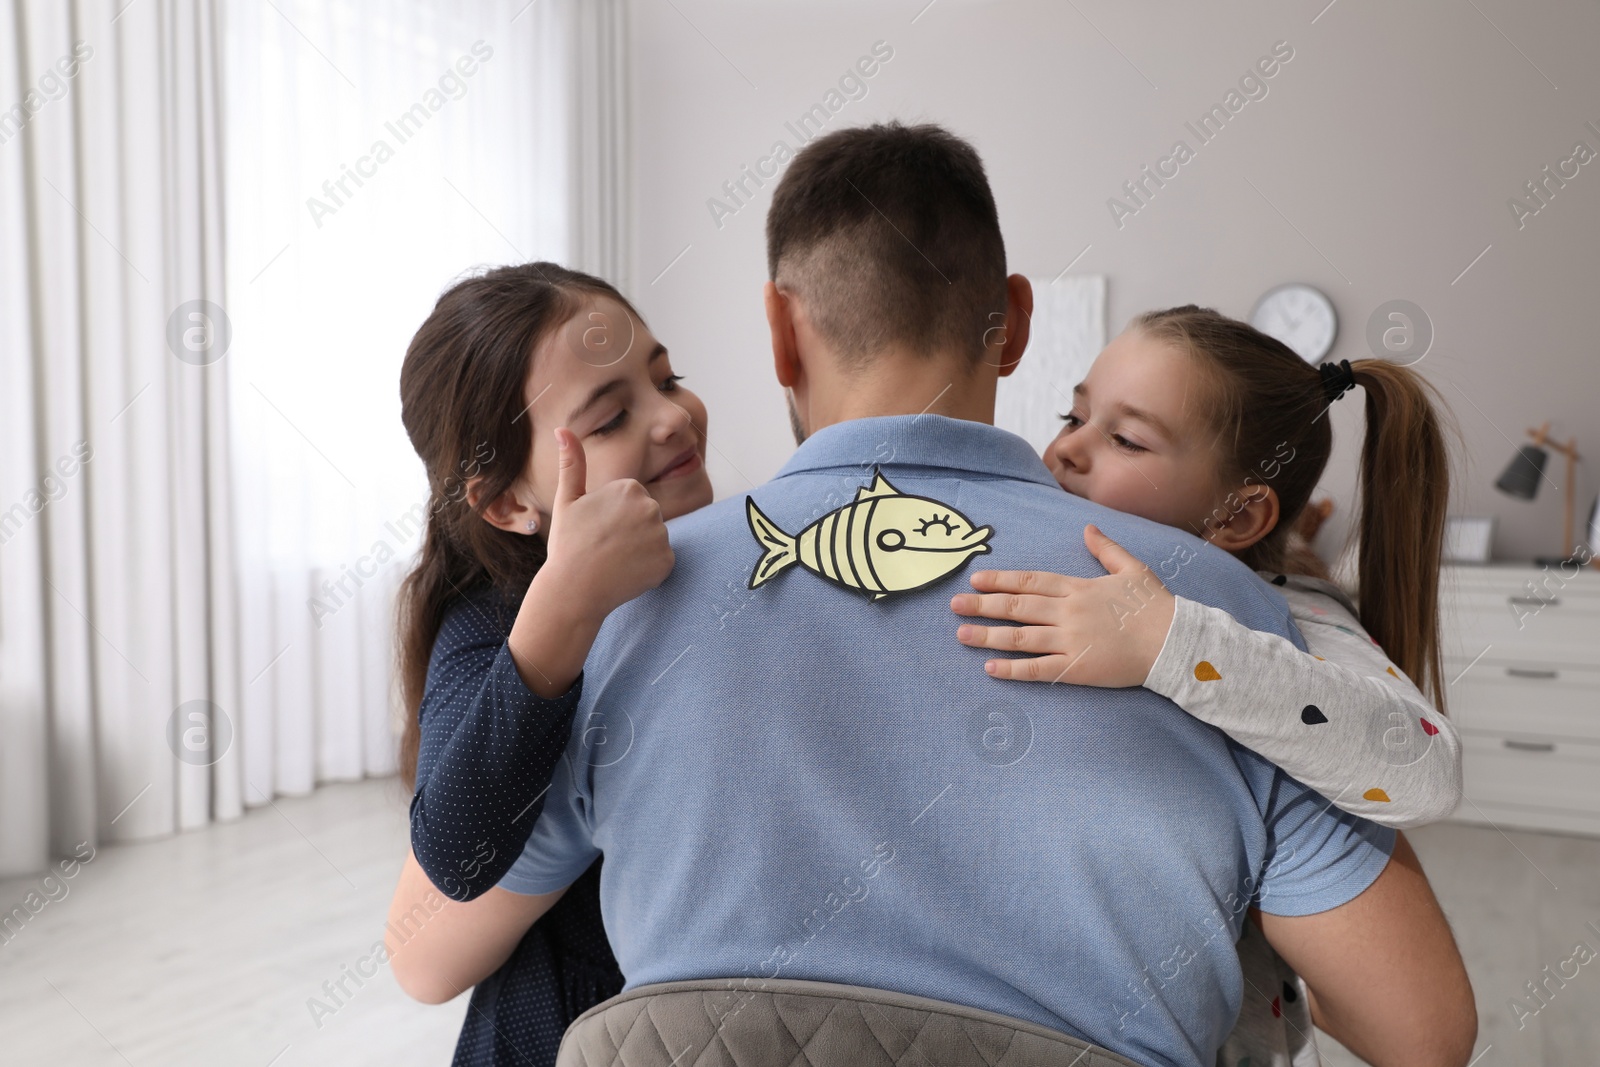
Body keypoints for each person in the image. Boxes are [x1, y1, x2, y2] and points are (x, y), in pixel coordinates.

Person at [389, 122, 1476, 1067]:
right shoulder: (1215, 616)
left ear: (777, 329)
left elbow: (428, 951)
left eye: (664, 381)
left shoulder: (620, 613)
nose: (670, 420)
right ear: (1012, 314)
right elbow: (1423, 1032)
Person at [950, 308, 1463, 1066]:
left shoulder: (1295, 617)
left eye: (1124, 438)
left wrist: (1166, 641)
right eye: (1076, 415)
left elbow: (1427, 769)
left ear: (1239, 513)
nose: (1064, 450)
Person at [387, 262, 712, 1065]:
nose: (673, 417)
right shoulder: (492, 620)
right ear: (507, 504)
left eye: (668, 377)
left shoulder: (724, 556)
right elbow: (454, 853)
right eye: (610, 420)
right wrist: (564, 609)